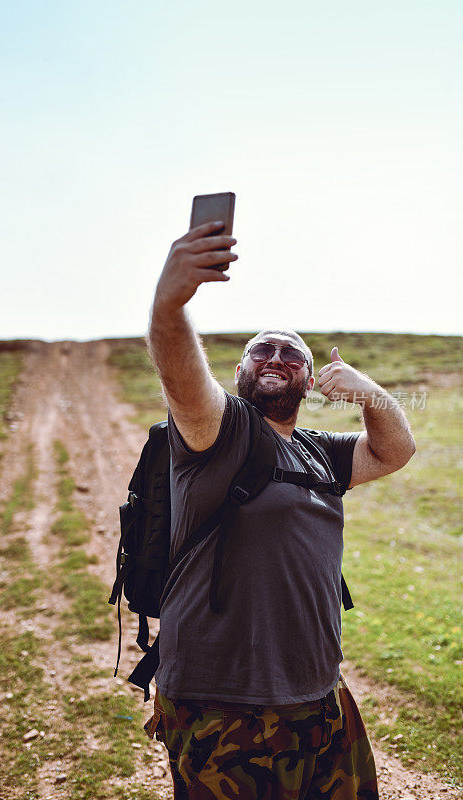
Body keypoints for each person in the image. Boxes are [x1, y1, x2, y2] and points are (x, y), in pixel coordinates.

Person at [143, 221, 416, 800]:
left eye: (291, 353)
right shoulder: (218, 430)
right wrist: (169, 307)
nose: (274, 356)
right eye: (260, 349)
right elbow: (181, 378)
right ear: (239, 372)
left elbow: (396, 450)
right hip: (224, 706)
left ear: (310, 378)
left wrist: (366, 390)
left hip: (318, 696)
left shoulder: (320, 449)